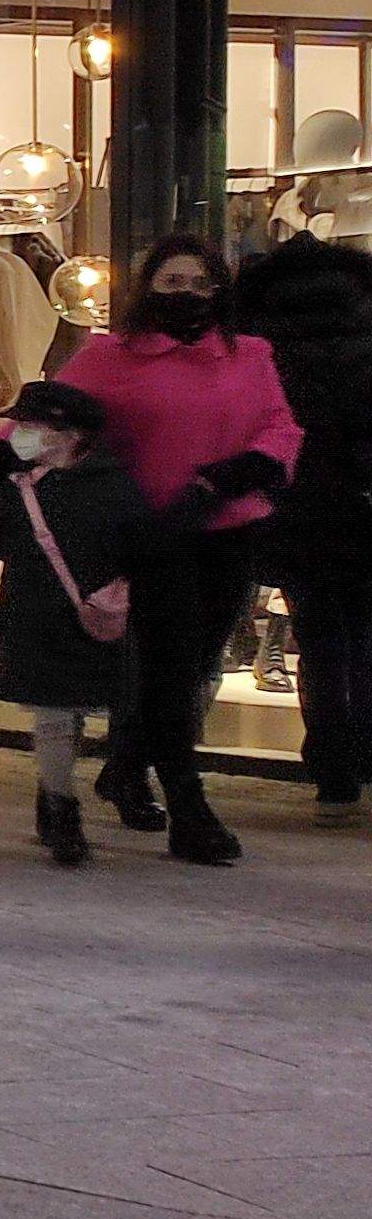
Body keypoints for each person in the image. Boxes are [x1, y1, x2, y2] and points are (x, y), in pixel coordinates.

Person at [52, 236, 298, 865]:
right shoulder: (111, 357)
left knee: (192, 666)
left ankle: (126, 767)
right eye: (171, 283)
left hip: (227, 527)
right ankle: (190, 810)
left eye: (198, 284)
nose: (185, 295)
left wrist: (235, 473)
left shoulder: (251, 354)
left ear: (219, 290)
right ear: (148, 289)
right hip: (151, 533)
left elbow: (279, 425)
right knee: (172, 672)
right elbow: (49, 415)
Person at [0, 382, 137, 865]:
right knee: (56, 717)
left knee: (62, 717)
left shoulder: (26, 489)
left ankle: (59, 800)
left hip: (46, 617)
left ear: (70, 434)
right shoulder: (117, 485)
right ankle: (61, 802)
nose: (19, 435)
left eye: (31, 426)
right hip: (81, 617)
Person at [229, 236, 372, 821]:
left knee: (319, 638)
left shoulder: (258, 339)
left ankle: (334, 778)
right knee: (365, 637)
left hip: (296, 506)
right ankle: (363, 760)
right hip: (363, 501)